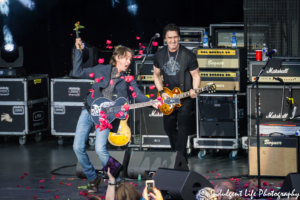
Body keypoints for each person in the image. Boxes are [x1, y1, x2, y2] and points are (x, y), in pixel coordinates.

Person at [72, 38, 160, 193]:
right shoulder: (101, 69)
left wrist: (150, 102)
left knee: (100, 149)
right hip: (88, 110)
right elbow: (77, 73)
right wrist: (78, 51)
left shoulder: (127, 79)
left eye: (130, 59)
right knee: (77, 147)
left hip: (106, 118)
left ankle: (117, 180)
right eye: (126, 57)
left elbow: (137, 94)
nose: (128, 61)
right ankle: (93, 178)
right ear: (117, 57)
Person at [153, 23, 201, 160]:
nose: (173, 40)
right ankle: (178, 155)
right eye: (170, 38)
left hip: (185, 96)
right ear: (165, 39)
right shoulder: (159, 55)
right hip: (168, 96)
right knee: (168, 127)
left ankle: (179, 157)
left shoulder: (188, 55)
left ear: (179, 37)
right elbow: (156, 75)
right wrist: (161, 92)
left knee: (183, 126)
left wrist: (195, 90)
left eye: (175, 37)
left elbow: (196, 75)